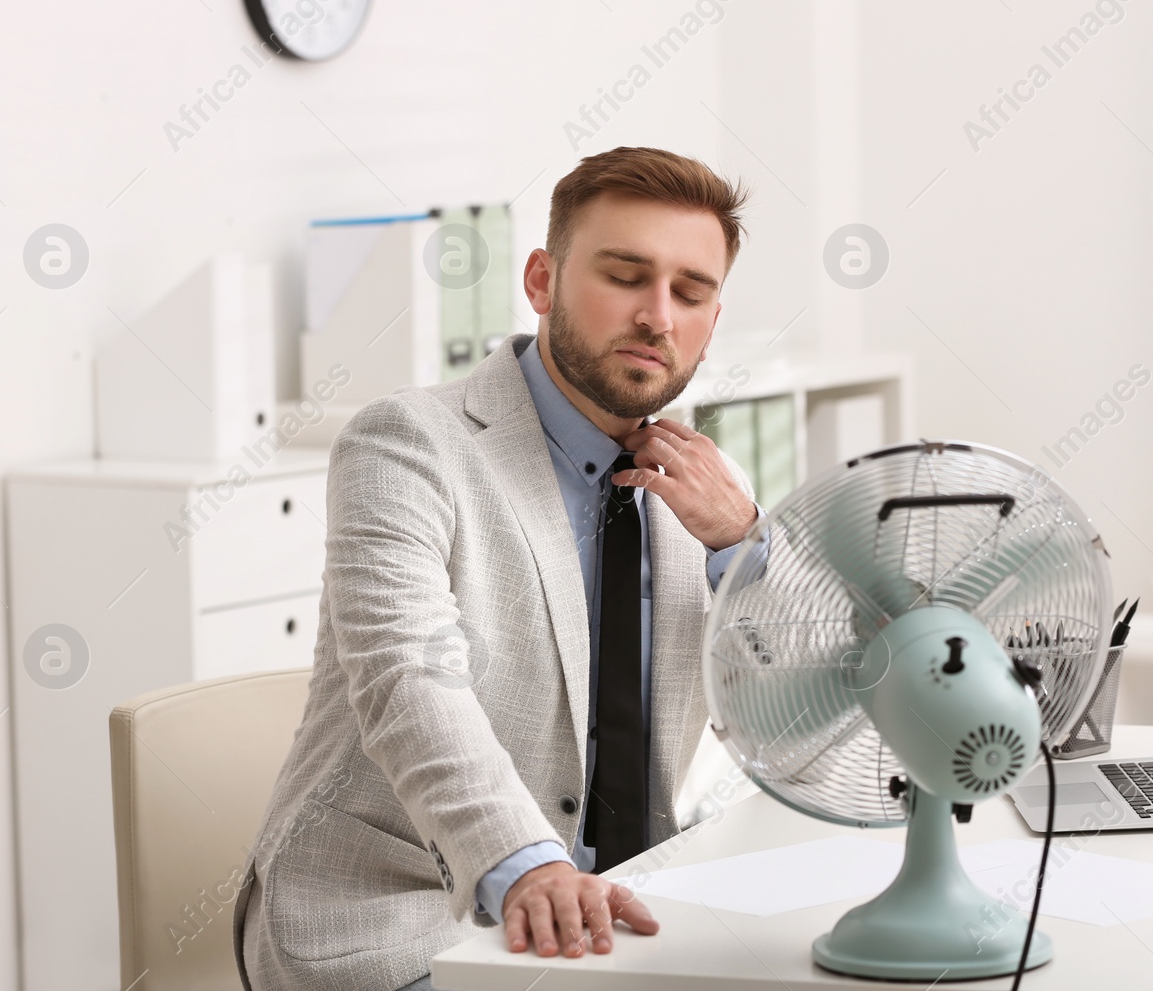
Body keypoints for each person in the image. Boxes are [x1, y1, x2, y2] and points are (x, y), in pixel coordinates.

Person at [234, 146, 766, 990]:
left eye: (690, 292)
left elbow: (810, 698)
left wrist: (745, 540)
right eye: (626, 275)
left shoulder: (711, 489)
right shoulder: (407, 443)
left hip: (620, 921)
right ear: (543, 281)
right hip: (395, 915)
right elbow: (408, 675)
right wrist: (525, 865)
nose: (658, 316)